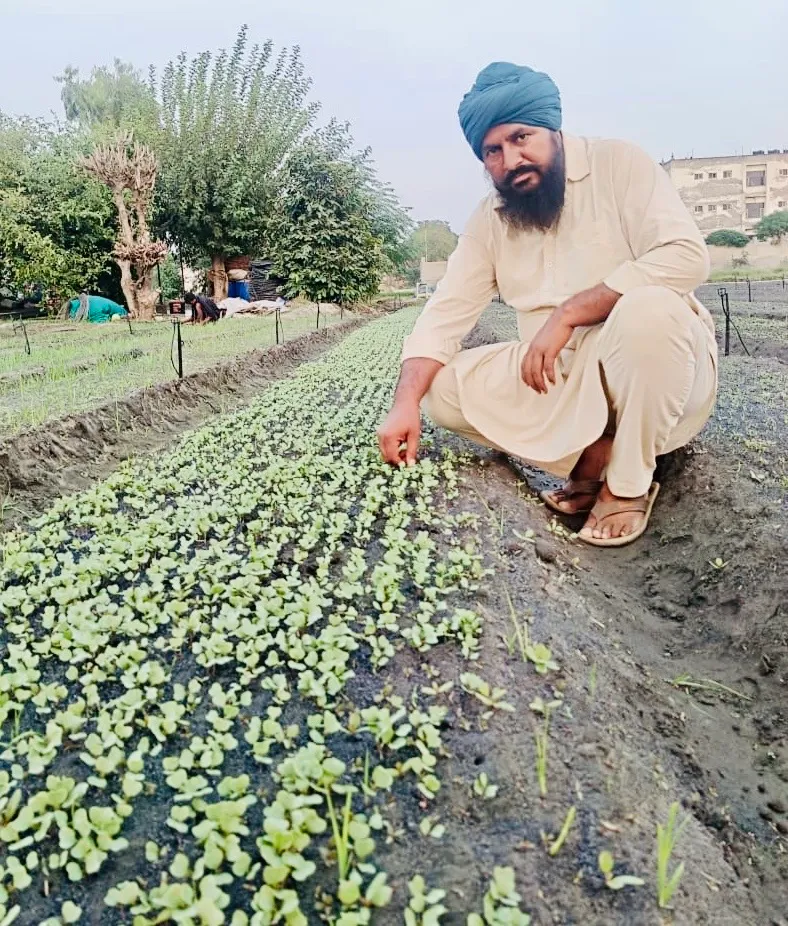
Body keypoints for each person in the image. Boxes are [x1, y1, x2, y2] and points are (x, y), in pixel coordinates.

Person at [377, 62, 717, 548]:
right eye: (493, 151)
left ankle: (627, 483)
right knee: (442, 389)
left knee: (650, 313)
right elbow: (445, 313)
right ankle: (592, 454)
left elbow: (686, 257)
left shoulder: (619, 165)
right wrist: (403, 402)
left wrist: (571, 312)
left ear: (553, 130)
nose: (511, 160)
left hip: (659, 370)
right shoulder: (490, 218)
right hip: (563, 380)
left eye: (521, 137)